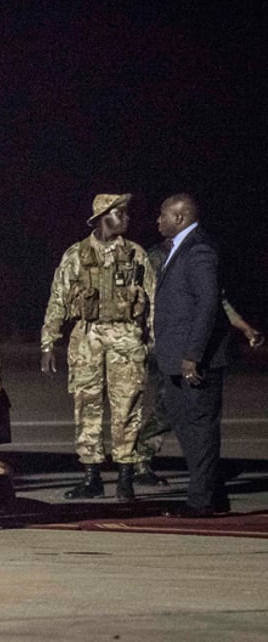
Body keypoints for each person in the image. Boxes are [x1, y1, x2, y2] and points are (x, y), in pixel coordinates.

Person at [40, 194, 155, 502]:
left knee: (127, 407)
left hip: (126, 336)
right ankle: (91, 476)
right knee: (86, 405)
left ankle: (126, 477)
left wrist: (153, 340)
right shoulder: (76, 255)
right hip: (86, 337)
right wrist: (49, 341)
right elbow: (58, 298)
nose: (127, 218)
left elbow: (152, 299)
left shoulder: (135, 254)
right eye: (121, 213)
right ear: (104, 216)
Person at [134, 241, 263, 487]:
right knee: (169, 408)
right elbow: (139, 297)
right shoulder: (157, 258)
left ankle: (202, 470)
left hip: (193, 346)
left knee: (195, 411)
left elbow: (218, 301)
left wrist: (246, 329)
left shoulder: (201, 258)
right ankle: (139, 458)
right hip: (163, 345)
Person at [152, 194, 230, 517]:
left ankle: (201, 501)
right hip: (174, 358)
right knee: (185, 426)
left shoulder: (198, 250)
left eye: (163, 215)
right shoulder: (177, 250)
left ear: (180, 218)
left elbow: (208, 305)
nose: (158, 220)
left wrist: (192, 355)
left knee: (199, 428)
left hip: (195, 361)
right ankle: (212, 493)